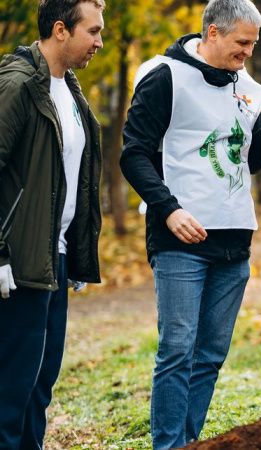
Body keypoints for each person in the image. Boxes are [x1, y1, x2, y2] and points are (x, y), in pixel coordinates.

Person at [119, 0, 261, 447]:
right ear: (212, 32)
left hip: (234, 238)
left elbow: (249, 160)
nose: (249, 52)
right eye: (242, 42)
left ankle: (188, 441)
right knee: (177, 349)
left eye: (254, 44)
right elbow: (134, 154)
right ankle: (168, 444)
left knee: (211, 354)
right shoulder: (164, 76)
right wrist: (168, 209)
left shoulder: (252, 89)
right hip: (180, 237)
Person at [0, 0, 105, 448]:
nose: (100, 42)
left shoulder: (69, 90)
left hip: (53, 258)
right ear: (60, 29)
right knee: (10, 389)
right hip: (17, 264)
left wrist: (74, 251)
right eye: (93, 31)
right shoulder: (18, 85)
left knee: (39, 384)